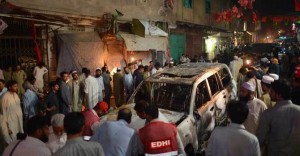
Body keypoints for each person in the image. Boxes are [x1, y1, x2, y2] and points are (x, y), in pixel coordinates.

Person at [256, 80, 300, 156]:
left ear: (279, 95)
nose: (269, 93)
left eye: (272, 91)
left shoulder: (268, 114)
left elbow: (259, 139)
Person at [0, 80, 23, 144]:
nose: (17, 88)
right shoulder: (4, 97)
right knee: (12, 140)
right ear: (9, 87)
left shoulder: (16, 95)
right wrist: (6, 126)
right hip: (10, 123)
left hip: (18, 121)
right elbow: (3, 113)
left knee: (19, 139)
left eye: (17, 86)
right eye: (15, 86)